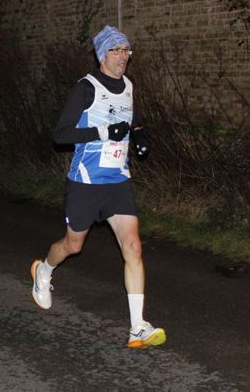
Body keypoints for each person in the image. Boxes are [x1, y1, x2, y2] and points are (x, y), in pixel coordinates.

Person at [31, 25, 166, 349]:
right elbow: (61, 135)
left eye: (126, 50)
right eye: (117, 50)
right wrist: (103, 133)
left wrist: (139, 133)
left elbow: (128, 120)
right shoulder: (85, 89)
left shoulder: (128, 86)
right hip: (85, 183)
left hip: (118, 181)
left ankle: (138, 327)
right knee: (73, 245)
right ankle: (43, 271)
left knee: (133, 247)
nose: (123, 57)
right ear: (102, 54)